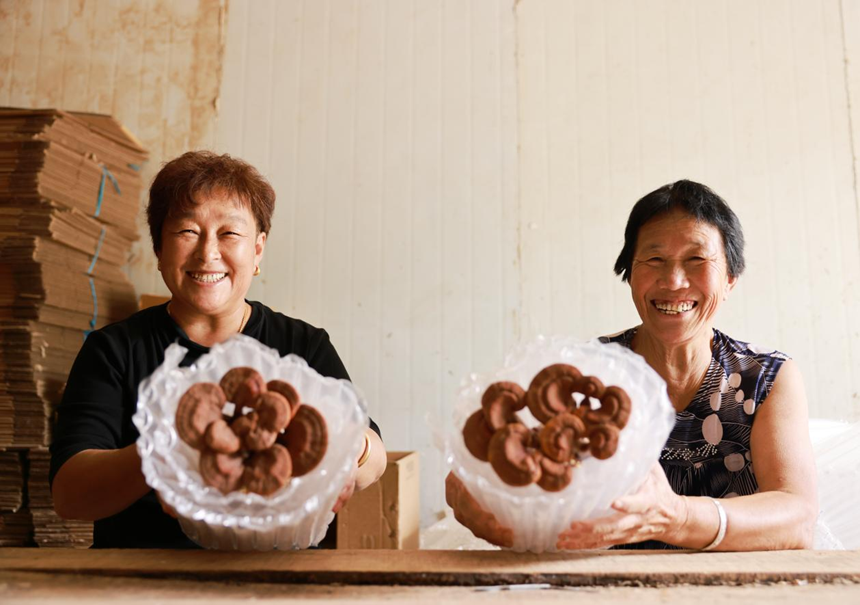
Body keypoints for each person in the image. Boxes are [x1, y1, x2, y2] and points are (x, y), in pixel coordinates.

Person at [447, 179, 818, 551]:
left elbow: (797, 518)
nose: (673, 281)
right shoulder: (581, 378)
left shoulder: (765, 378)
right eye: (654, 260)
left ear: (730, 279)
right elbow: (501, 465)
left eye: (696, 259)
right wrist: (485, 496)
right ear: (629, 274)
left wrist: (677, 516)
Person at [51, 151, 387, 548]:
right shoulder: (114, 350)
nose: (208, 253)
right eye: (187, 232)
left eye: (229, 234)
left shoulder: (302, 344)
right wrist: (167, 451)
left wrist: (352, 450)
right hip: (146, 579)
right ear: (159, 249)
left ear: (258, 250)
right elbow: (69, 494)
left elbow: (374, 457)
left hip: (283, 578)